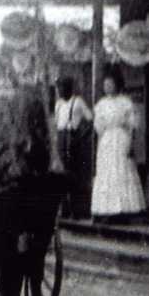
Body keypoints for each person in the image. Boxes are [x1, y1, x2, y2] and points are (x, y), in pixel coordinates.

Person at [90, 74, 145, 221]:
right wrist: (104, 133)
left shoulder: (125, 102)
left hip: (121, 137)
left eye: (110, 84)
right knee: (107, 171)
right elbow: (98, 125)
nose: (108, 87)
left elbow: (133, 124)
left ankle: (124, 210)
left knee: (121, 169)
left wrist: (130, 140)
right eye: (105, 84)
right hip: (107, 139)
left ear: (117, 84)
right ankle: (107, 210)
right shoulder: (101, 104)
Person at [52, 76, 93, 218]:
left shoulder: (78, 101)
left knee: (74, 174)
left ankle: (78, 210)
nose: (60, 91)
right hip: (61, 138)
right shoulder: (58, 104)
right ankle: (64, 210)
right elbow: (56, 123)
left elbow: (90, 119)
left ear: (69, 87)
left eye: (62, 87)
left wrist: (81, 136)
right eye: (58, 88)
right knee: (60, 173)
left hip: (72, 138)